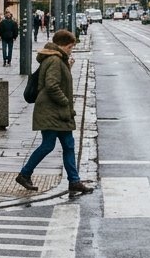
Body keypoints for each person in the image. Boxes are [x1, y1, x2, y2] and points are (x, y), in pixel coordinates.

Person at [15, 29, 93, 195]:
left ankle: (74, 181)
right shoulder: (55, 60)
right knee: (48, 145)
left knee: (69, 145)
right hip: (53, 111)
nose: (71, 50)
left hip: (56, 112)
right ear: (62, 45)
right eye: (70, 47)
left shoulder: (56, 59)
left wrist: (68, 67)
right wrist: (64, 101)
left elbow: (57, 80)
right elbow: (51, 85)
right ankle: (25, 174)